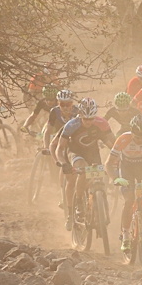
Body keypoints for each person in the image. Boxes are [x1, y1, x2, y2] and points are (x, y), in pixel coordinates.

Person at [54, 97, 115, 230]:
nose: (88, 121)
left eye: (91, 118)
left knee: (99, 178)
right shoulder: (71, 125)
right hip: (75, 153)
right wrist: (63, 163)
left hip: (93, 154)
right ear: (80, 115)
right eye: (85, 118)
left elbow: (113, 146)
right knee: (83, 169)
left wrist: (118, 159)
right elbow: (59, 148)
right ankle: (78, 205)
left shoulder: (101, 124)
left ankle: (98, 206)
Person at [105, 115, 142, 252]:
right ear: (131, 132)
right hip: (126, 169)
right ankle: (125, 235)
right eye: (136, 137)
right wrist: (115, 178)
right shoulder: (123, 139)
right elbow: (108, 163)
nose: (140, 140)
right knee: (129, 200)